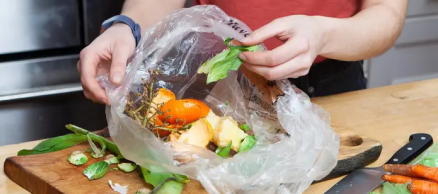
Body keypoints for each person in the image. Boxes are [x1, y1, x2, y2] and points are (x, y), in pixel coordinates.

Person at [77, 0, 408, 104]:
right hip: (216, 87)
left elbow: (386, 13)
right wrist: (128, 27)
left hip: (328, 88)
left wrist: (323, 36)